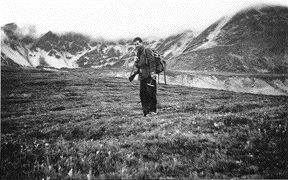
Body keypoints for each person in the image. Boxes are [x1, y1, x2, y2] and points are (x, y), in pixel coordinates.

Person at [130, 37, 157, 117]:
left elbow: (152, 62)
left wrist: (153, 74)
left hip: (149, 76)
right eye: (135, 45)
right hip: (142, 77)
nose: (136, 46)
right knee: (142, 94)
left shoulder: (147, 50)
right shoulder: (138, 53)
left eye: (137, 44)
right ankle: (146, 112)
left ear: (141, 43)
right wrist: (136, 62)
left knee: (151, 93)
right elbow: (138, 66)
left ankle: (153, 111)